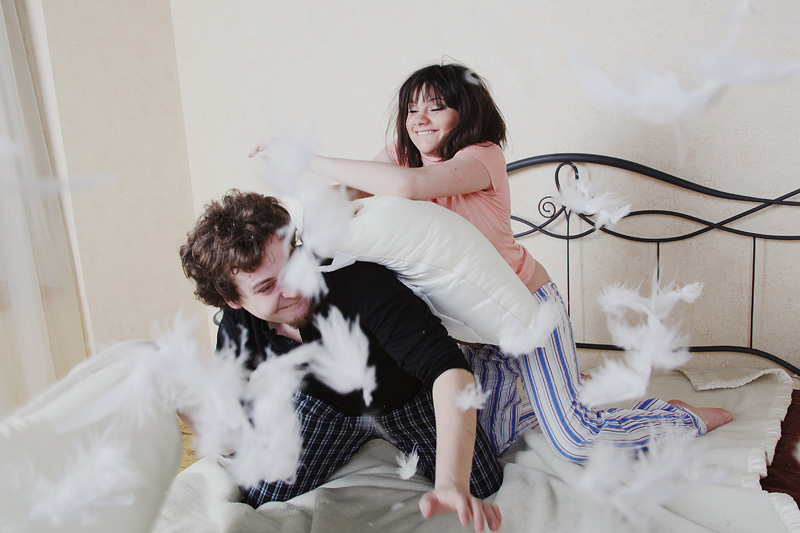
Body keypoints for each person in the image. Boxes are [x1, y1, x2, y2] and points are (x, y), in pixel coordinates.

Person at [251, 62, 732, 461]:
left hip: (529, 311)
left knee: (576, 443)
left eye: (436, 107)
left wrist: (305, 158)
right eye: (412, 109)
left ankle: (675, 416)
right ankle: (567, 394)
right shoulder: (402, 153)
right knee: (490, 444)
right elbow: (345, 196)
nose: (420, 119)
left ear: (466, 112)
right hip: (473, 329)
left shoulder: (482, 156)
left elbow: (408, 187)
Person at [180, 190, 503, 532]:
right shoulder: (239, 326)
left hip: (404, 397)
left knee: (483, 486)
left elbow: (447, 369)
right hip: (323, 404)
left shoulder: (356, 280)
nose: (294, 288)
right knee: (263, 494)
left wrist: (451, 484)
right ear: (232, 300)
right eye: (267, 287)